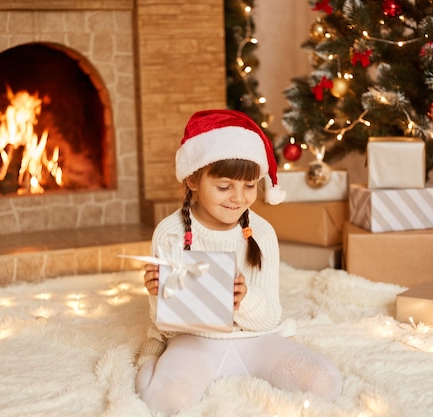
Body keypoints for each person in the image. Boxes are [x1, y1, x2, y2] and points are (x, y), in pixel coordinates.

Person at [135, 109, 343, 415]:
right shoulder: (170, 233)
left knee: (327, 382)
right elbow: (166, 324)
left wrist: (242, 300)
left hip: (255, 339)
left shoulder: (262, 233)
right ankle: (151, 359)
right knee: (162, 401)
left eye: (249, 186)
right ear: (193, 179)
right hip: (194, 341)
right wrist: (158, 294)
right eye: (223, 187)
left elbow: (270, 317)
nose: (237, 198)